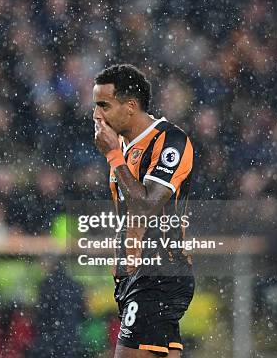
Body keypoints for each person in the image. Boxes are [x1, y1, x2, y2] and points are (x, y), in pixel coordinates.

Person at [92, 64, 195, 357]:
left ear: (130, 107)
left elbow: (147, 205)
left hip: (159, 274)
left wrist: (112, 156)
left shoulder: (170, 141)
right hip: (135, 277)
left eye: (104, 105)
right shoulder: (123, 146)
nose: (97, 115)